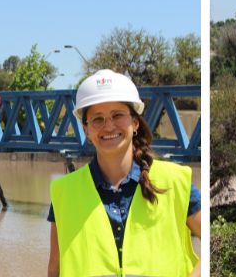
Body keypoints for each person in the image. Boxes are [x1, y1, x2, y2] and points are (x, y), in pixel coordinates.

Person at [47, 69, 201, 277]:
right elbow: (55, 270)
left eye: (117, 115)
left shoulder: (174, 182)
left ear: (135, 123)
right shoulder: (64, 192)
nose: (109, 126)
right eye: (97, 119)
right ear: (86, 129)